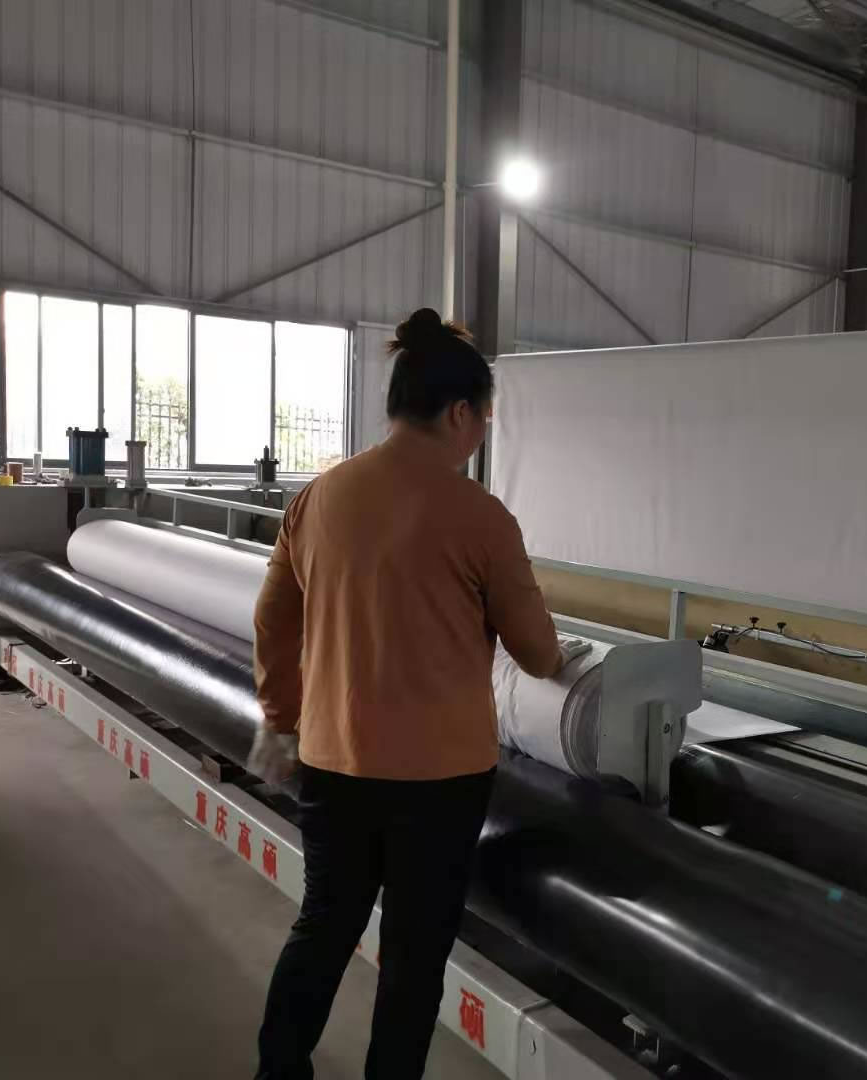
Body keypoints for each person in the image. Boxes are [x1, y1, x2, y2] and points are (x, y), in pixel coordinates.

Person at [248, 307, 588, 1080]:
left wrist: (281, 718)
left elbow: (273, 621)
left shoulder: (319, 498)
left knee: (324, 925)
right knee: (413, 954)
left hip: (334, 762)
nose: (482, 435)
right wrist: (562, 649)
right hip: (440, 782)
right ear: (460, 413)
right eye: (484, 419)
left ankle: (278, 1071)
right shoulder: (481, 518)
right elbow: (537, 655)